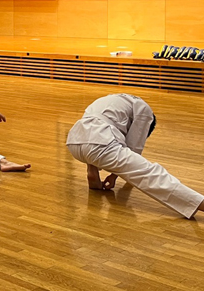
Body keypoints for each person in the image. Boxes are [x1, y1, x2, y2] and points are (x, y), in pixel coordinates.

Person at [67, 93, 204, 218]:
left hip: (74, 141)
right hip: (102, 144)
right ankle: (200, 203)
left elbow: (90, 133)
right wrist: (115, 175)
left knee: (97, 144)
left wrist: (97, 171)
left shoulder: (107, 100)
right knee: (151, 174)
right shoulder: (145, 111)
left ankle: (92, 169)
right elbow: (134, 147)